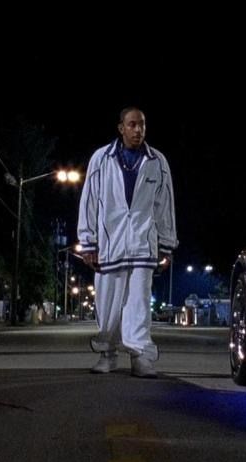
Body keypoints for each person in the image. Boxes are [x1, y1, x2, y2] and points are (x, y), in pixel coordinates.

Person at [76, 107, 177, 378]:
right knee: (108, 305)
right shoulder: (101, 158)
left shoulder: (157, 161)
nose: (138, 130)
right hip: (110, 245)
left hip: (143, 245)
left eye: (142, 124)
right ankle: (107, 354)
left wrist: (166, 245)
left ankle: (140, 356)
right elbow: (89, 201)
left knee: (139, 304)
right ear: (121, 128)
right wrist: (88, 242)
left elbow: (164, 205)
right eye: (132, 125)